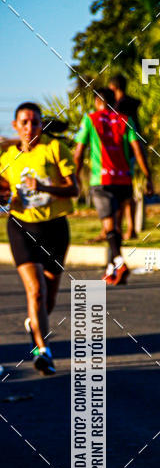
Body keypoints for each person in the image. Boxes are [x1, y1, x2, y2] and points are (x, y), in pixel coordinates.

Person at [0, 102, 79, 375]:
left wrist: (42, 186)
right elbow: (2, 192)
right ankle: (43, 352)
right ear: (15, 126)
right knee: (35, 290)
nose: (30, 127)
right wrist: (6, 198)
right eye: (24, 122)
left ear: (41, 124)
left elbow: (73, 189)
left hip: (55, 229)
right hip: (21, 227)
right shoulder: (7, 155)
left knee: (48, 299)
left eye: (35, 122)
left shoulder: (55, 148)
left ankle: (35, 324)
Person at [73, 88, 152, 285]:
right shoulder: (125, 119)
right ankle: (111, 271)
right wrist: (147, 175)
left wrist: (74, 176)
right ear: (113, 102)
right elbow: (137, 149)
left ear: (97, 102)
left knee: (109, 228)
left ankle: (119, 262)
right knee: (115, 229)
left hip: (102, 182)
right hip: (123, 180)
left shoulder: (90, 119)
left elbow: (79, 151)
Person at [108, 74, 144, 241]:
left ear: (113, 88)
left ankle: (122, 229)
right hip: (133, 150)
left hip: (123, 153)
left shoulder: (118, 106)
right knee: (128, 193)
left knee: (123, 194)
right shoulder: (132, 103)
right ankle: (129, 229)